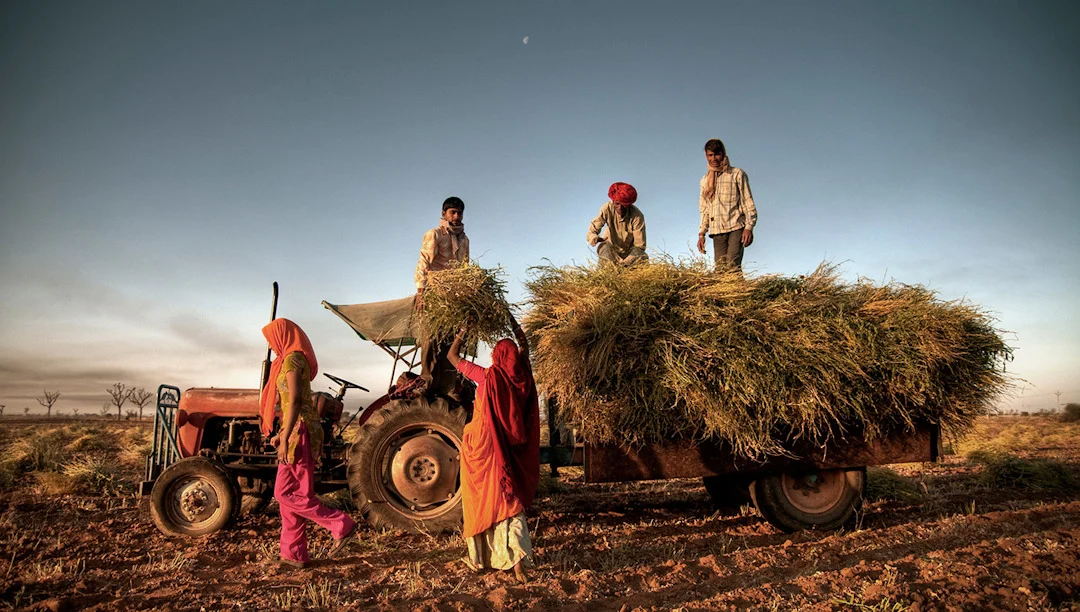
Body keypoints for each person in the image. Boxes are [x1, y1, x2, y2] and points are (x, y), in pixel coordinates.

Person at [447, 316, 540, 584]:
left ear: (497, 356)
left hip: (482, 446)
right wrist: (511, 320)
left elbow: (453, 356)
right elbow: (524, 346)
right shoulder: (522, 376)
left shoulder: (487, 376)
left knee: (481, 498)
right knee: (509, 498)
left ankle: (481, 558)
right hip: (506, 448)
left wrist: (463, 329)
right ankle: (518, 561)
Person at [260, 318, 358, 569]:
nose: (271, 346)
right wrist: (280, 433)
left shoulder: (293, 359)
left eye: (272, 339)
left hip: (300, 433)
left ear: (283, 335)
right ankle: (294, 555)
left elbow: (294, 401)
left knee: (284, 493)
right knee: (292, 496)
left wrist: (284, 437)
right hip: (297, 429)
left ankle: (340, 524)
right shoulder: (290, 359)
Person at [415, 196, 471, 398]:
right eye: (452, 213)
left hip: (453, 298)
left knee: (451, 342)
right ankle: (426, 382)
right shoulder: (435, 234)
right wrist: (421, 292)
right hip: (434, 294)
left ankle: (447, 388)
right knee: (430, 338)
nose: (456, 216)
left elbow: (465, 269)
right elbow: (423, 262)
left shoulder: (464, 240)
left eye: (459, 213)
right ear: (444, 214)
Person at [696, 138, 758, 270]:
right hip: (717, 230)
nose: (714, 159)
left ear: (723, 153)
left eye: (717, 154)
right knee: (721, 271)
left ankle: (741, 290)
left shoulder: (737, 174)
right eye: (710, 155)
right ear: (706, 156)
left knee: (732, 266)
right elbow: (705, 209)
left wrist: (749, 227)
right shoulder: (705, 181)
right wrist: (701, 233)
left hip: (736, 226)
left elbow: (748, 201)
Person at [586, 182, 647, 266]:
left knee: (642, 256)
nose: (620, 208)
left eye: (623, 204)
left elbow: (640, 246)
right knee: (605, 248)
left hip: (630, 253)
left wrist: (625, 263)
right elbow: (592, 230)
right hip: (611, 250)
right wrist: (594, 237)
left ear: (629, 204)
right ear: (613, 201)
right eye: (617, 204)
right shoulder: (607, 208)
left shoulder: (637, 216)